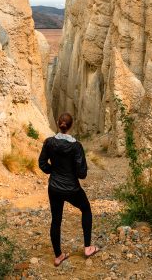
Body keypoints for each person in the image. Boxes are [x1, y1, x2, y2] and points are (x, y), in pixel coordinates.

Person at [39, 112, 99, 266]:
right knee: (86, 209)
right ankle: (87, 248)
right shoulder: (76, 146)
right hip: (72, 188)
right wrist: (70, 171)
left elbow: (42, 164)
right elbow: (82, 174)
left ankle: (58, 256)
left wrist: (54, 171)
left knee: (56, 220)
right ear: (71, 125)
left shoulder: (49, 142)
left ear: (58, 124)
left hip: (54, 188)